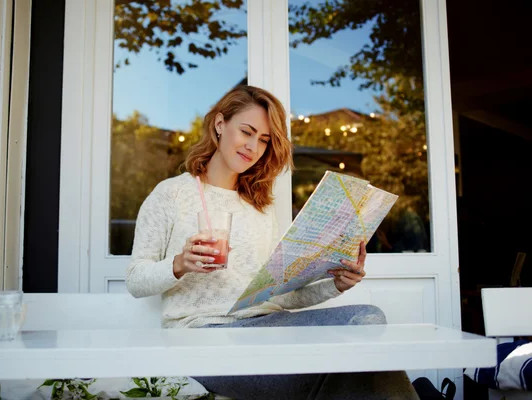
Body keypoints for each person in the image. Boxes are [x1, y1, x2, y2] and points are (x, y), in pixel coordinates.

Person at [126, 85, 418, 399]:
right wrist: (179, 264)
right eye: (247, 132)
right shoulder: (171, 194)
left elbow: (280, 297)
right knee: (356, 360)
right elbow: (135, 280)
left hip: (268, 327)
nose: (253, 146)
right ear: (220, 124)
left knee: (368, 318)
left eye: (264, 140)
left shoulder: (260, 208)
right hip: (201, 339)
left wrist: (335, 285)